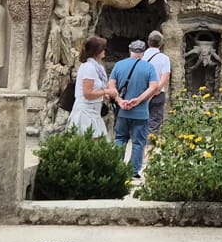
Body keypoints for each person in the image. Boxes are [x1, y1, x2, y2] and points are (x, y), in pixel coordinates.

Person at [109, 40, 156, 177]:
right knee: (138, 142)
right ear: (143, 52)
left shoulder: (119, 65)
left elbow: (111, 86)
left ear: (130, 50)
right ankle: (133, 171)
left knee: (120, 138)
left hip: (123, 111)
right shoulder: (149, 68)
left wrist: (119, 100)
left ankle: (117, 167)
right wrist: (139, 100)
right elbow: (154, 87)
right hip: (141, 112)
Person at [67, 36, 115, 137]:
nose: (104, 51)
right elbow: (87, 93)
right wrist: (106, 92)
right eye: (103, 49)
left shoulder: (99, 67)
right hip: (85, 111)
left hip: (95, 110)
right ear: (97, 51)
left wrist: (104, 94)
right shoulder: (89, 67)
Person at [142, 30, 172, 138]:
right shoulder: (164, 58)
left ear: (148, 42)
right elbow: (165, 77)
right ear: (161, 43)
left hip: (142, 93)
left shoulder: (141, 57)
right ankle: (149, 148)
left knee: (141, 121)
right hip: (158, 94)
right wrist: (156, 90)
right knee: (154, 122)